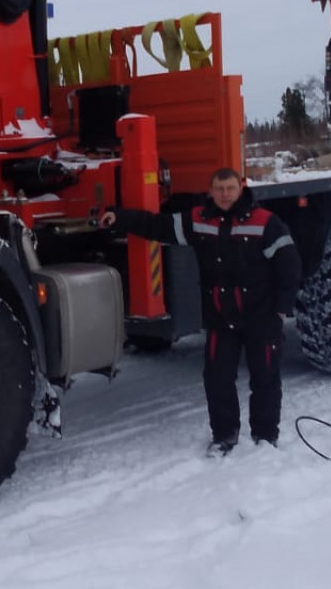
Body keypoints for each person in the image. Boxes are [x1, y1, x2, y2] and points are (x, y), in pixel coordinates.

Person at [105, 167, 301, 455]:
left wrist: (282, 310)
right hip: (222, 320)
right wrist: (119, 218)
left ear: (241, 188)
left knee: (265, 378)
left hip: (262, 317)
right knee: (217, 379)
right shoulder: (198, 220)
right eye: (219, 189)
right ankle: (224, 437)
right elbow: (157, 226)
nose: (224, 195)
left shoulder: (266, 223)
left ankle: (265, 437)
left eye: (230, 188)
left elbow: (290, 266)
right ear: (211, 191)